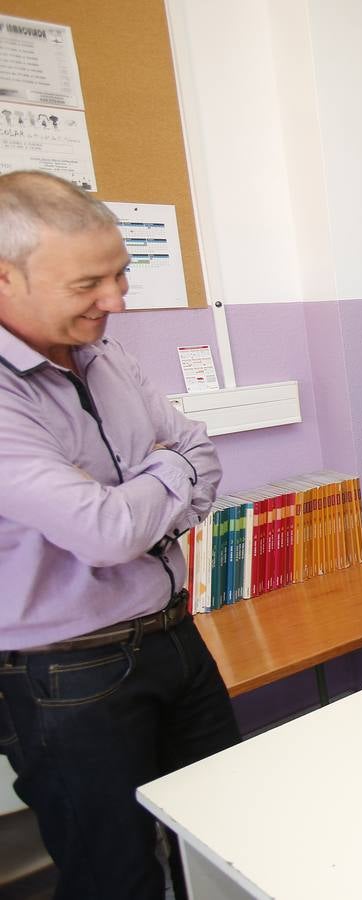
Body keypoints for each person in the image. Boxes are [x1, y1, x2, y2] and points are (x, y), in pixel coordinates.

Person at [0, 171, 239, 898]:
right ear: (5, 277)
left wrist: (144, 493)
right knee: (116, 877)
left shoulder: (106, 354)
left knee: (224, 835)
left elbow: (202, 452)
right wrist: (164, 476)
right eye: (88, 284)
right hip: (68, 677)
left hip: (175, 635)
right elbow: (105, 533)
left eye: (121, 274)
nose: (116, 300)